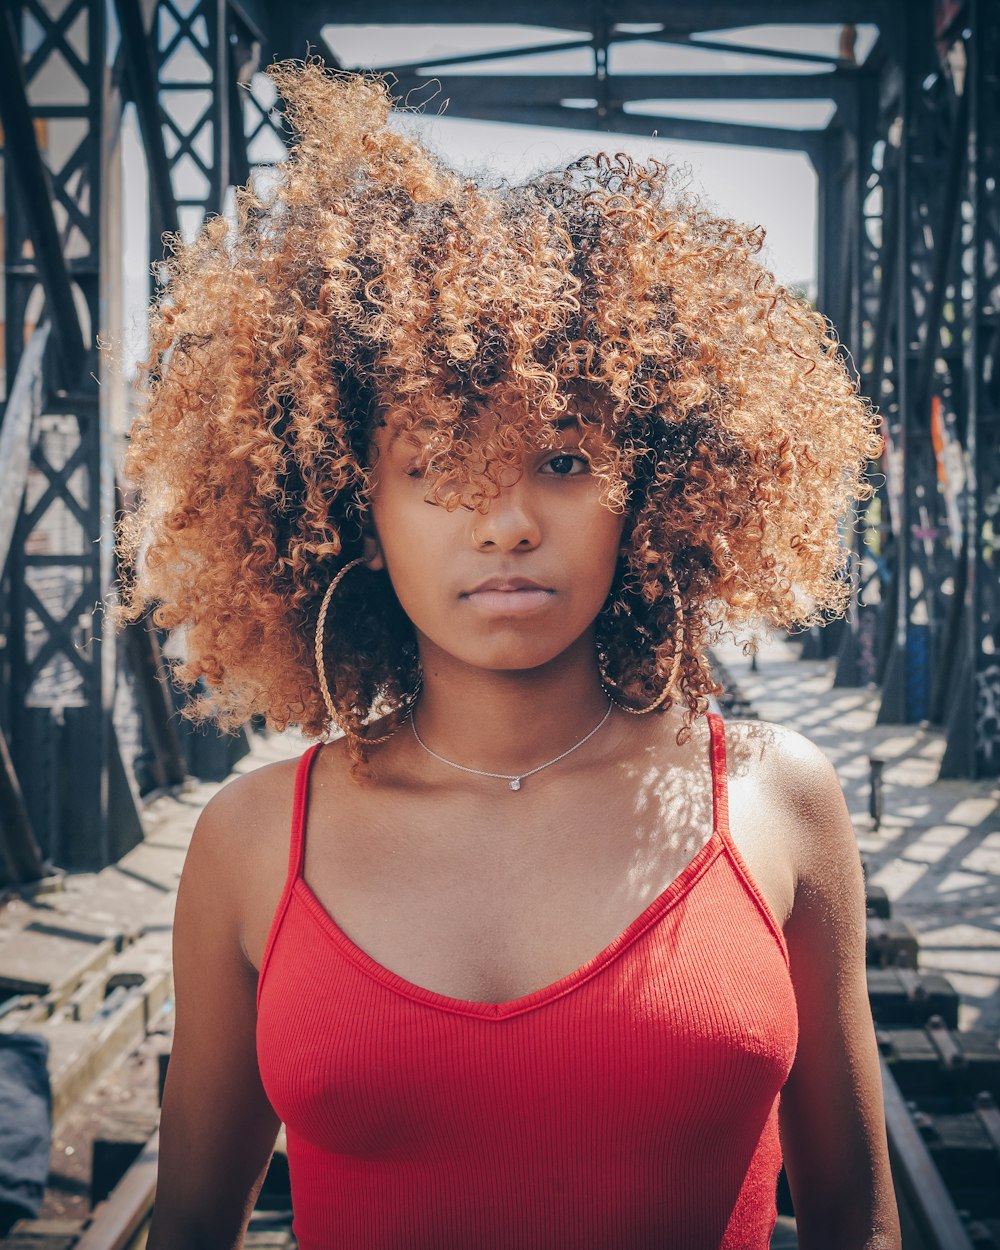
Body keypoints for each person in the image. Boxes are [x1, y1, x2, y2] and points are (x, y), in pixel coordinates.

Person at [111, 59, 901, 1250]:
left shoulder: (779, 801)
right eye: (433, 468)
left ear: (656, 489)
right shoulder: (251, 840)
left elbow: (858, 1222)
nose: (506, 520)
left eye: (566, 460)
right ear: (349, 510)